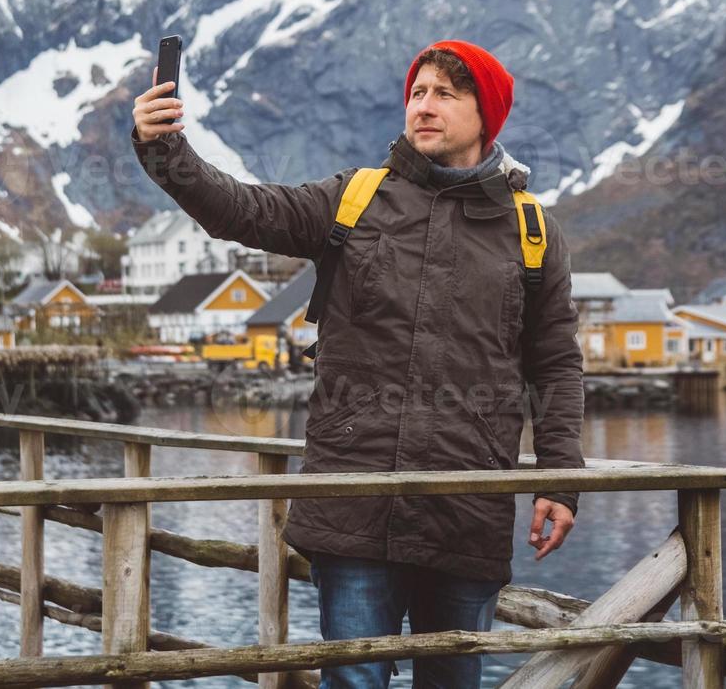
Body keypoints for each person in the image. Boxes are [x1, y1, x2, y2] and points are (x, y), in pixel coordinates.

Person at [132, 40, 585, 688]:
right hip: (353, 506)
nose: (423, 106)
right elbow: (242, 210)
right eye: (417, 92)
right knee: (352, 682)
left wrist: (561, 479)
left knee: (453, 684)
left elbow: (558, 366)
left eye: (445, 95)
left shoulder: (533, 233)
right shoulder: (353, 198)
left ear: (488, 117)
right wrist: (164, 150)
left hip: (468, 511)